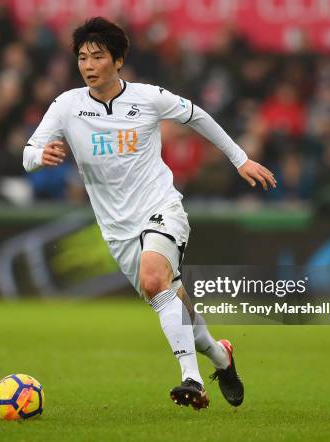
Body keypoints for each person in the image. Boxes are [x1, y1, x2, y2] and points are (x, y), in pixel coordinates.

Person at [23, 17, 276, 410]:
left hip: (161, 207)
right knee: (172, 301)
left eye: (98, 56)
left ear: (118, 60)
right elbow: (27, 155)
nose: (89, 65)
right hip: (117, 230)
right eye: (82, 58)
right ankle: (221, 356)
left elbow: (198, 116)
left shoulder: (147, 97)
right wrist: (42, 155)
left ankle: (190, 379)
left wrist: (239, 159)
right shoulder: (66, 107)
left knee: (155, 279)